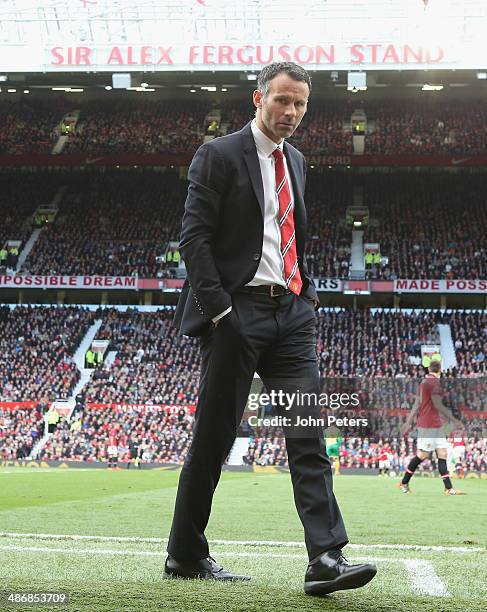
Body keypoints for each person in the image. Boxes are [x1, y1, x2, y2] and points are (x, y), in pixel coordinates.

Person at [166, 62, 377, 596]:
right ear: (257, 98)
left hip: (292, 317)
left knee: (309, 436)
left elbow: (293, 232)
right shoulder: (217, 155)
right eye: (282, 100)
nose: (291, 112)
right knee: (213, 440)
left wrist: (306, 293)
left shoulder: (297, 161)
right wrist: (221, 314)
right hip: (237, 315)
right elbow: (194, 240)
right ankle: (185, 555)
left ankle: (326, 557)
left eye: (300, 104)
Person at [399, 360, 466, 495]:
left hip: (435, 425)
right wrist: (455, 420)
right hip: (429, 425)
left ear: (429, 369)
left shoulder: (423, 383)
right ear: (440, 370)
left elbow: (417, 404)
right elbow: (438, 405)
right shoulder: (434, 383)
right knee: (422, 455)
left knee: (442, 453)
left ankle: (448, 488)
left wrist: (408, 422)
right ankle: (404, 482)